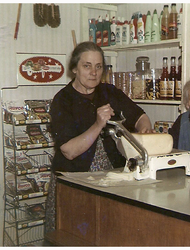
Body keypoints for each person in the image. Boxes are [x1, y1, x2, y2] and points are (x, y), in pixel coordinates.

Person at [45, 41, 153, 234]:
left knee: (109, 233)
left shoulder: (109, 92)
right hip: (74, 181)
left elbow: (140, 117)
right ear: (74, 69)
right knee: (73, 236)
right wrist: (97, 124)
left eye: (98, 66)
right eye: (87, 66)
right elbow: (69, 151)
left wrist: (144, 132)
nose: (93, 73)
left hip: (112, 178)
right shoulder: (63, 101)